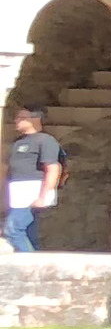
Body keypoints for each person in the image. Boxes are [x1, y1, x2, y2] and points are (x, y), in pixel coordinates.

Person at [5, 106, 61, 250]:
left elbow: (52, 168)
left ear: (35, 120)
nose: (17, 121)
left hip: (32, 192)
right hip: (17, 193)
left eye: (22, 118)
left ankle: (28, 263)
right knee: (30, 233)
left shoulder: (46, 140)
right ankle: (36, 261)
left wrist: (43, 195)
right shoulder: (18, 142)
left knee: (12, 229)